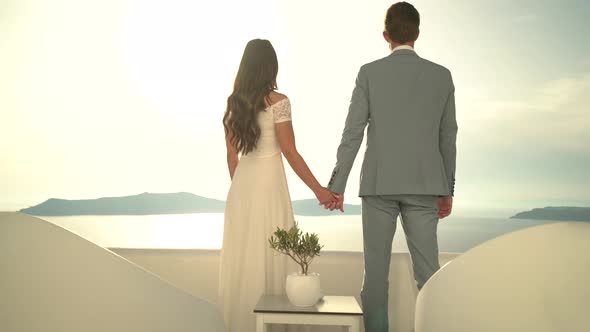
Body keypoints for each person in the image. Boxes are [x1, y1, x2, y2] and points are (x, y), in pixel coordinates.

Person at [325, 2, 458, 331]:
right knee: (429, 277)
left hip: (379, 186)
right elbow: (448, 137)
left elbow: (352, 132)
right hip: (426, 186)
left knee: (375, 279)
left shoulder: (369, 73)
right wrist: (447, 190)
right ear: (417, 33)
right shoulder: (442, 77)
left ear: (386, 35)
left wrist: (336, 186)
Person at [219, 39, 338, 331]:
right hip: (270, 187)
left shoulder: (234, 103)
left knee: (245, 257)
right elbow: (290, 152)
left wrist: (242, 190)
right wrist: (320, 191)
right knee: (273, 252)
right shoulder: (279, 102)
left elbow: (232, 157)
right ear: (270, 67)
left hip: (242, 189)